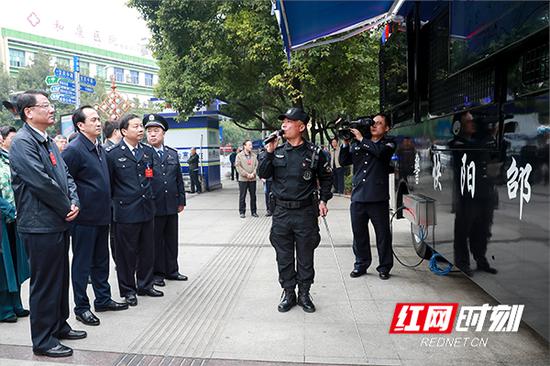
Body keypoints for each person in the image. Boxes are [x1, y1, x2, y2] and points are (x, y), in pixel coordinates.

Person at [11, 90, 84, 357]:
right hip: (39, 224)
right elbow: (40, 181)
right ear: (28, 112)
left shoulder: (48, 140)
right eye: (45, 105)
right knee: (44, 283)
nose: (51, 109)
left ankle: (59, 325)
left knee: (59, 278)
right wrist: (66, 206)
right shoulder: (22, 142)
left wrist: (74, 200)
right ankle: (43, 340)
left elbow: (65, 175)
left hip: (57, 221)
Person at [258, 107, 333, 313]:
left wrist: (323, 200)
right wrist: (268, 152)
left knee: (305, 255)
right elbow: (262, 173)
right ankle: (288, 292)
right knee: (283, 255)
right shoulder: (277, 152)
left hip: (305, 213)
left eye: (289, 121)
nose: (284, 124)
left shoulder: (315, 153)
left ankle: (304, 293)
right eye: (283, 121)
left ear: (301, 127)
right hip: (281, 212)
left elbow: (326, 179)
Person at [62, 106, 128, 327]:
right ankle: (82, 307)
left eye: (99, 119)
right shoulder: (73, 150)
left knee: (101, 260)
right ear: (80, 125)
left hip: (102, 215)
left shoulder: (98, 148)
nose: (98, 123)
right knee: (82, 263)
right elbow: (64, 182)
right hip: (83, 218)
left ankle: (103, 299)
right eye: (93, 120)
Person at [106, 113, 162, 307]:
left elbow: (150, 177)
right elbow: (110, 184)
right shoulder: (113, 154)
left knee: (147, 249)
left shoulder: (147, 152)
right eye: (136, 126)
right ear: (124, 131)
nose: (141, 130)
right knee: (126, 254)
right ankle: (128, 289)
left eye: (141, 126)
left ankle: (145, 284)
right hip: (125, 211)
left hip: (147, 208)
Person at [340, 113, 396, 280]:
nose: (374, 125)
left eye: (379, 123)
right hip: (358, 197)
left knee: (383, 235)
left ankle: (384, 267)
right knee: (359, 234)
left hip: (377, 198)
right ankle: (361, 264)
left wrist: (361, 139)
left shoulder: (389, 143)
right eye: (372, 123)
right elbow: (344, 161)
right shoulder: (358, 143)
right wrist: (345, 143)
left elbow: (380, 153)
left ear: (386, 128)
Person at [449, 111, 498, 277]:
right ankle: (462, 263)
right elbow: (475, 152)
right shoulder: (457, 143)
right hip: (467, 194)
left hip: (485, 192)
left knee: (483, 229)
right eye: (468, 121)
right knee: (463, 229)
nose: (473, 123)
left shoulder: (479, 141)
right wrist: (490, 136)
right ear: (459, 126)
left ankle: (481, 259)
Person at [144, 114, 188, 287]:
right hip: (153, 204)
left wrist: (181, 200)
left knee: (171, 239)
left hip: (171, 203)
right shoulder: (144, 154)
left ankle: (172, 270)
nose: (152, 134)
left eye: (156, 131)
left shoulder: (172, 153)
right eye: (149, 131)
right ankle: (157, 273)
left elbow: (178, 178)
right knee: (155, 241)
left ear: (163, 133)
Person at [0, 125, 30, 324]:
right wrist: (9, 210)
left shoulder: (11, 158)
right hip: (4, 218)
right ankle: (4, 308)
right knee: (4, 266)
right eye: (12, 136)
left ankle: (16, 303)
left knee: (17, 262)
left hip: (16, 218)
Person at [102, 120, 121, 263]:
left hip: (118, 201)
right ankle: (118, 260)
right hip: (112, 201)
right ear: (116, 132)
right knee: (114, 234)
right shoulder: (107, 151)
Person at [235, 140, 258, 218]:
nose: (251, 146)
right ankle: (242, 212)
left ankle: (254, 211)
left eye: (251, 145)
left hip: (252, 179)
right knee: (242, 196)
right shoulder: (239, 156)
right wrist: (246, 174)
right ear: (244, 146)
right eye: (249, 145)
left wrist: (253, 174)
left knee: (253, 196)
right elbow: (238, 166)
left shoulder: (254, 156)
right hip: (243, 179)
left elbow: (257, 166)